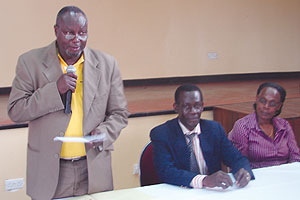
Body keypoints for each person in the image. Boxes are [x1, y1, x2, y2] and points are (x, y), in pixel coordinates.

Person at [7, 6, 129, 200]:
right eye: (69, 33)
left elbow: (119, 113)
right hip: (50, 171)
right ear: (56, 31)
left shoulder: (107, 64)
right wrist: (55, 90)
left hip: (92, 169)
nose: (77, 39)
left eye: (82, 33)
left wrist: (104, 132)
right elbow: (16, 111)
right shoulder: (30, 62)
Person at [150, 84, 254, 190]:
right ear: (176, 107)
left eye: (197, 106)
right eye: (187, 106)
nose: (193, 111)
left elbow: (236, 158)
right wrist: (204, 180)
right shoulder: (161, 134)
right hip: (180, 191)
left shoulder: (214, 129)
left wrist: (244, 171)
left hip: (212, 192)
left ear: (202, 106)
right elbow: (166, 171)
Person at [229, 82, 300, 169]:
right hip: (257, 177)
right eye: (263, 101)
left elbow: (295, 156)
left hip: (285, 176)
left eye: (272, 104)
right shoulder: (243, 126)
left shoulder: (284, 125)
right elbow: (240, 163)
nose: (266, 106)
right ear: (256, 99)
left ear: (279, 106)